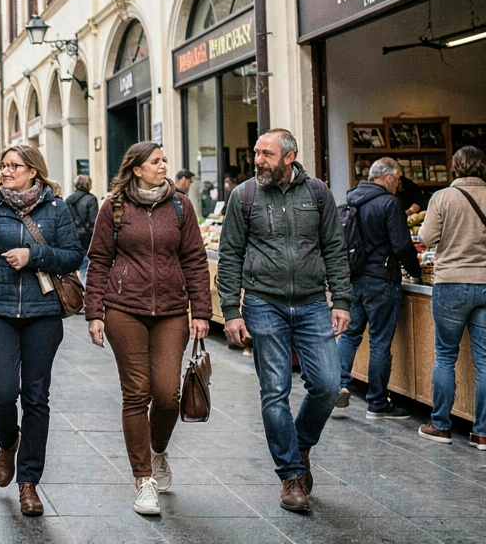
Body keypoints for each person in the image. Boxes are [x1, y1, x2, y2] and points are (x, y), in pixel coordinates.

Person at [216, 129, 351, 513]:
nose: (257, 160)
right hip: (263, 303)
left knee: (328, 385)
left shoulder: (318, 194)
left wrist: (340, 299)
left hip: (311, 303)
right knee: (273, 391)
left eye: (266, 154)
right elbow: (230, 255)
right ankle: (291, 476)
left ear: (289, 157)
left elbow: (336, 250)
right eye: (256, 153)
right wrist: (230, 310)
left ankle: (300, 442)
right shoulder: (244, 196)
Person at [0, 144, 83, 517]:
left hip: (43, 314)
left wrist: (34, 255)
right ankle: (8, 442)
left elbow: (74, 255)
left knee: (37, 397)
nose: (6, 170)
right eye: (3, 165)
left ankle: (28, 483)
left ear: (34, 172)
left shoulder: (57, 209)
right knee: (2, 390)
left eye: (14, 165)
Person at [84, 142, 211, 516]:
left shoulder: (180, 206)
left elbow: (195, 260)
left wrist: (201, 310)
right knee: (136, 393)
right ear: (136, 168)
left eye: (164, 160)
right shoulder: (114, 207)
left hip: (172, 310)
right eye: (156, 161)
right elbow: (99, 260)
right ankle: (143, 480)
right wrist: (95, 312)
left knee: (168, 394)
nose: (164, 165)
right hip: (124, 309)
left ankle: (157, 450)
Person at [336, 158, 421, 420]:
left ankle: (337, 385)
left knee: (350, 336)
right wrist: (416, 273)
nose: (399, 185)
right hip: (382, 281)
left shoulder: (350, 200)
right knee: (380, 343)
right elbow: (402, 245)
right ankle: (377, 403)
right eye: (398, 179)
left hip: (353, 279)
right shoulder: (388, 203)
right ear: (388, 178)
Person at [416, 146, 486, 448]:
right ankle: (482, 431)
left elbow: (427, 238)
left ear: (455, 168)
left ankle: (441, 424)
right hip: (485, 282)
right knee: (484, 361)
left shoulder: (443, 197)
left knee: (445, 355)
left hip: (450, 285)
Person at [66, 174, 99, 282]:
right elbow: (94, 221)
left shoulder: (68, 199)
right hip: (86, 236)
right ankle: (83, 288)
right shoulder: (91, 199)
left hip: (71, 235)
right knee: (85, 265)